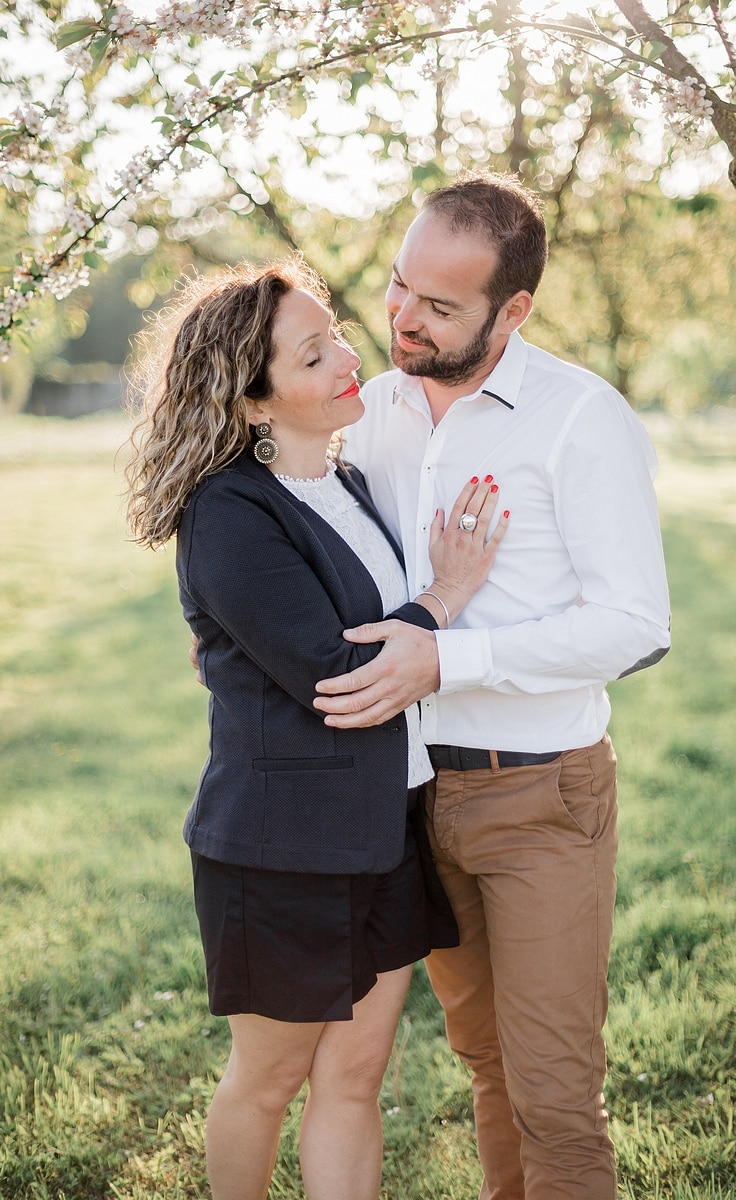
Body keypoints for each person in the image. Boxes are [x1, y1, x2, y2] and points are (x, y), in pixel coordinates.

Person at [313, 171, 672, 1200]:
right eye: (396, 286)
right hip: (412, 799)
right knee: (485, 1065)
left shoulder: (575, 417)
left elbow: (632, 625)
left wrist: (447, 656)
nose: (402, 319)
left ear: (512, 309)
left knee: (554, 1094)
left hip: (539, 796)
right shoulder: (370, 409)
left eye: (439, 306)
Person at [124, 256, 509, 1200]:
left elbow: (355, 671)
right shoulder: (226, 515)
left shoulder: (349, 483)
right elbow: (342, 679)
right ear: (255, 403)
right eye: (312, 357)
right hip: (281, 854)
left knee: (354, 1080)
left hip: (385, 831)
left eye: (334, 329)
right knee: (266, 1084)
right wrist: (444, 597)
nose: (348, 357)